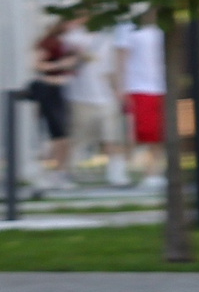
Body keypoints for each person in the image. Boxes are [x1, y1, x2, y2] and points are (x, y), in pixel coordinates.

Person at [59, 13, 124, 185]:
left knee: (112, 136)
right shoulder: (71, 38)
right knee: (77, 138)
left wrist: (117, 90)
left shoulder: (106, 38)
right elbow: (63, 62)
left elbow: (111, 69)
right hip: (79, 96)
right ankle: (66, 173)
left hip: (105, 96)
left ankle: (116, 175)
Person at [112, 11, 168, 188]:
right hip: (138, 87)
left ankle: (152, 173)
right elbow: (120, 59)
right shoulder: (127, 27)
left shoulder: (165, 25)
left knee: (158, 133)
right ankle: (119, 170)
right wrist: (120, 88)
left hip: (161, 87)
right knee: (136, 133)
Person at [26, 13, 76, 190]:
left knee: (63, 135)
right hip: (49, 89)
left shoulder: (67, 44)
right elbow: (36, 64)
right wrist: (61, 65)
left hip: (62, 89)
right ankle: (46, 170)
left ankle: (60, 172)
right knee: (56, 134)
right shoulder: (49, 43)